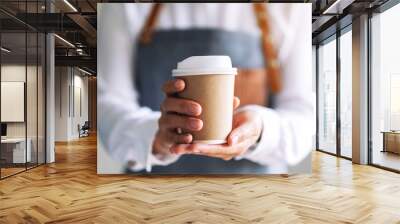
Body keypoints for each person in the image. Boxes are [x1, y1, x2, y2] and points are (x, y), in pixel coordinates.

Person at [98, 3, 314, 174]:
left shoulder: (288, 8)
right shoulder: (126, 7)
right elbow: (109, 105)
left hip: (254, 195)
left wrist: (261, 129)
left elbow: (302, 119)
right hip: (152, 195)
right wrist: (153, 135)